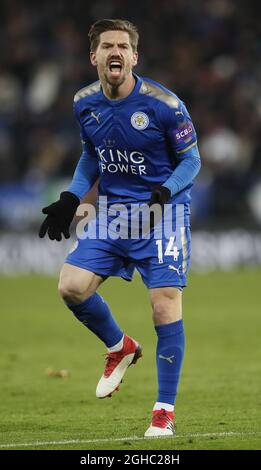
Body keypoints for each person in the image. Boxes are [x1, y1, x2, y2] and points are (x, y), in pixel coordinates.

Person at [39, 18, 201, 437]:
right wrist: (73, 197)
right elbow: (91, 155)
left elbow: (192, 160)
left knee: (164, 304)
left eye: (123, 46)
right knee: (70, 286)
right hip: (112, 212)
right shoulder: (84, 102)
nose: (115, 52)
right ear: (93, 56)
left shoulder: (164, 104)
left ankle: (163, 411)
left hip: (162, 213)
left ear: (134, 56)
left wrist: (164, 192)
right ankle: (120, 346)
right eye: (107, 46)